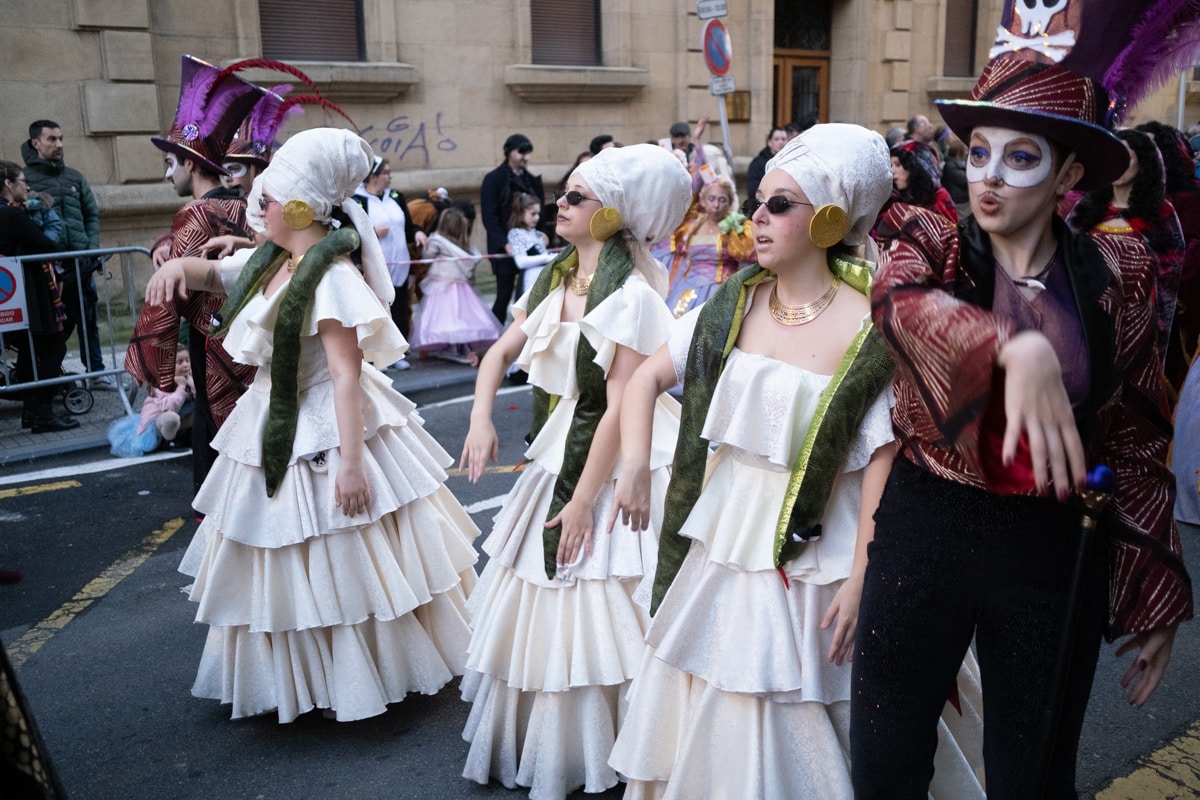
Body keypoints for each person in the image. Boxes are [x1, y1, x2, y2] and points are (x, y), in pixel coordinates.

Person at [851, 4, 1196, 794]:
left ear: (1069, 176)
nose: (990, 177)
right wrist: (1006, 344)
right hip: (927, 526)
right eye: (979, 152)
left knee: (1034, 777)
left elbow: (1136, 434)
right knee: (886, 764)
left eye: (1021, 157)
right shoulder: (932, 241)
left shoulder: (1121, 271)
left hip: (1053, 544)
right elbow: (895, 308)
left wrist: (1154, 588)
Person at [607, 124, 985, 799]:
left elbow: (883, 458)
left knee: (825, 702)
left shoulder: (874, 321)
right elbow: (644, 378)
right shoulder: (733, 303)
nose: (756, 217)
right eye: (757, 202)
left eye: (779, 204)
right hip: (727, 535)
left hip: (826, 549)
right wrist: (635, 464)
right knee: (720, 685)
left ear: (831, 219)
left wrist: (863, 573)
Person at [146, 127, 480, 723]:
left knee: (340, 556)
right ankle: (303, 679)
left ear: (300, 209)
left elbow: (346, 376)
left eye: (268, 200)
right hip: (272, 416)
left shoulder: (330, 276)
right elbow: (216, 275)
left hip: (325, 422)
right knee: (282, 556)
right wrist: (175, 268)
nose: (256, 208)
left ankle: (353, 677)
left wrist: (352, 464)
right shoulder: (275, 259)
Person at [458, 143, 692, 799]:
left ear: (612, 214)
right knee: (552, 592)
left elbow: (620, 407)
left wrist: (586, 500)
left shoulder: (633, 296)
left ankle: (633, 741)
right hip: (561, 442)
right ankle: (564, 741)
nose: (558, 202)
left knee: (605, 586)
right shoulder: (558, 279)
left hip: (621, 453)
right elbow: (498, 354)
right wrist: (480, 418)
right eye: (563, 192)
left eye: (576, 197)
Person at [125, 55, 266, 495]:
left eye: (170, 163)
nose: (167, 174)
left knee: (213, 419)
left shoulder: (196, 212)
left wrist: (153, 359)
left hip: (211, 338)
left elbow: (172, 289)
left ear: (190, 164)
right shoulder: (246, 205)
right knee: (250, 416)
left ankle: (218, 507)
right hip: (253, 331)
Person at [1064, 128, 1185, 375]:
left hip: (1136, 321)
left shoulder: (1161, 214)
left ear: (1143, 163)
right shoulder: (1085, 209)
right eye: (1112, 158)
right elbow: (1064, 257)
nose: (1117, 166)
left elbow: (1170, 269)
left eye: (1125, 158)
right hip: (1090, 316)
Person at [21, 119, 108, 389]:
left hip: (81, 261)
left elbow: (91, 214)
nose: (59, 144)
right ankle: (50, 374)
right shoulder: (24, 180)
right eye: (52, 139)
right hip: (48, 267)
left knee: (88, 317)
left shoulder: (75, 177)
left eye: (61, 138)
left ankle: (96, 371)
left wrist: (92, 249)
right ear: (36, 143)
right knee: (51, 324)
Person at [0, 160, 75, 433]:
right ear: (8, 184)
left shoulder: (12, 212)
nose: (27, 186)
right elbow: (45, 244)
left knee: (30, 352)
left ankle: (32, 412)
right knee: (54, 348)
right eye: (22, 181)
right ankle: (41, 412)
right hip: (31, 292)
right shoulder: (11, 215)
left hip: (16, 294)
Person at [353, 156, 427, 371]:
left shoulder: (396, 197)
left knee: (400, 308)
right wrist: (372, 232)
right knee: (377, 310)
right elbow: (349, 233)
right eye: (385, 172)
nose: (389, 176)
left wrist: (418, 232)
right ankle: (376, 356)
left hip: (400, 264)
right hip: (374, 266)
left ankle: (396, 354)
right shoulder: (358, 201)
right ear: (372, 176)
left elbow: (408, 227)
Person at [654, 172, 755, 319]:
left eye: (722, 200)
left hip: (720, 292)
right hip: (688, 290)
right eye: (711, 199)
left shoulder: (736, 227)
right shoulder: (693, 227)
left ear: (729, 202)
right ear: (703, 201)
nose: (716, 205)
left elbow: (748, 258)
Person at [410, 206, 499, 366]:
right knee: (462, 316)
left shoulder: (436, 241)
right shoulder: (463, 246)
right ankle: (462, 347)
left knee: (444, 317)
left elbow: (427, 256)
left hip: (441, 285)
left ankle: (451, 348)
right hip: (462, 286)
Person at [481, 133, 545, 322]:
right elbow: (489, 217)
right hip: (505, 248)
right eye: (521, 152)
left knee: (530, 291)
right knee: (503, 294)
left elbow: (539, 212)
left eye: (528, 152)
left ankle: (525, 332)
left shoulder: (532, 181)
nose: (526, 157)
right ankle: (496, 335)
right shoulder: (493, 179)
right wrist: (504, 243)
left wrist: (542, 234)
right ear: (509, 152)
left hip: (530, 243)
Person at [107, 349, 194, 457]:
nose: (185, 365)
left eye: (187, 360)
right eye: (179, 362)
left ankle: (185, 437)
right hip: (155, 424)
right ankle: (169, 442)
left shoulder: (190, 378)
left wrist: (193, 386)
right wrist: (181, 388)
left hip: (179, 417)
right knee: (171, 418)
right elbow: (170, 407)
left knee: (201, 409)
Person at [887, 143, 958, 223]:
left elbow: (951, 228)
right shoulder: (893, 199)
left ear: (914, 166)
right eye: (891, 166)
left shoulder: (938, 196)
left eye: (898, 165)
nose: (892, 171)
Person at [506, 191, 556, 291]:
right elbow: (521, 261)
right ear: (521, 213)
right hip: (530, 282)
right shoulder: (516, 234)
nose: (537, 217)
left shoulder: (536, 233)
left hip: (543, 279)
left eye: (538, 214)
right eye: (533, 214)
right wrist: (547, 258)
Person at [745, 125, 788, 202]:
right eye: (776, 139)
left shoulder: (790, 162)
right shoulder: (758, 164)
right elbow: (753, 190)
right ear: (770, 142)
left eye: (783, 139)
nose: (781, 142)